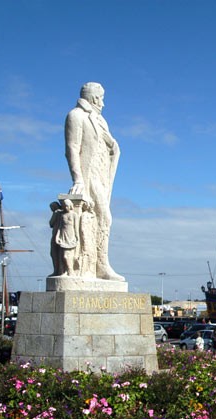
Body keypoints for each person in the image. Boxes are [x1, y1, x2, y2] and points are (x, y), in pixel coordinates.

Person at [65, 82, 124, 282]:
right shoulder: (76, 116)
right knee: (105, 217)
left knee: (104, 218)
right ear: (94, 98)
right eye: (102, 99)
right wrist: (78, 179)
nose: (104, 104)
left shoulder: (101, 121)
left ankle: (98, 264)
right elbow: (72, 148)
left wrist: (113, 146)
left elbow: (109, 145)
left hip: (101, 175)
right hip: (88, 176)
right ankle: (99, 264)